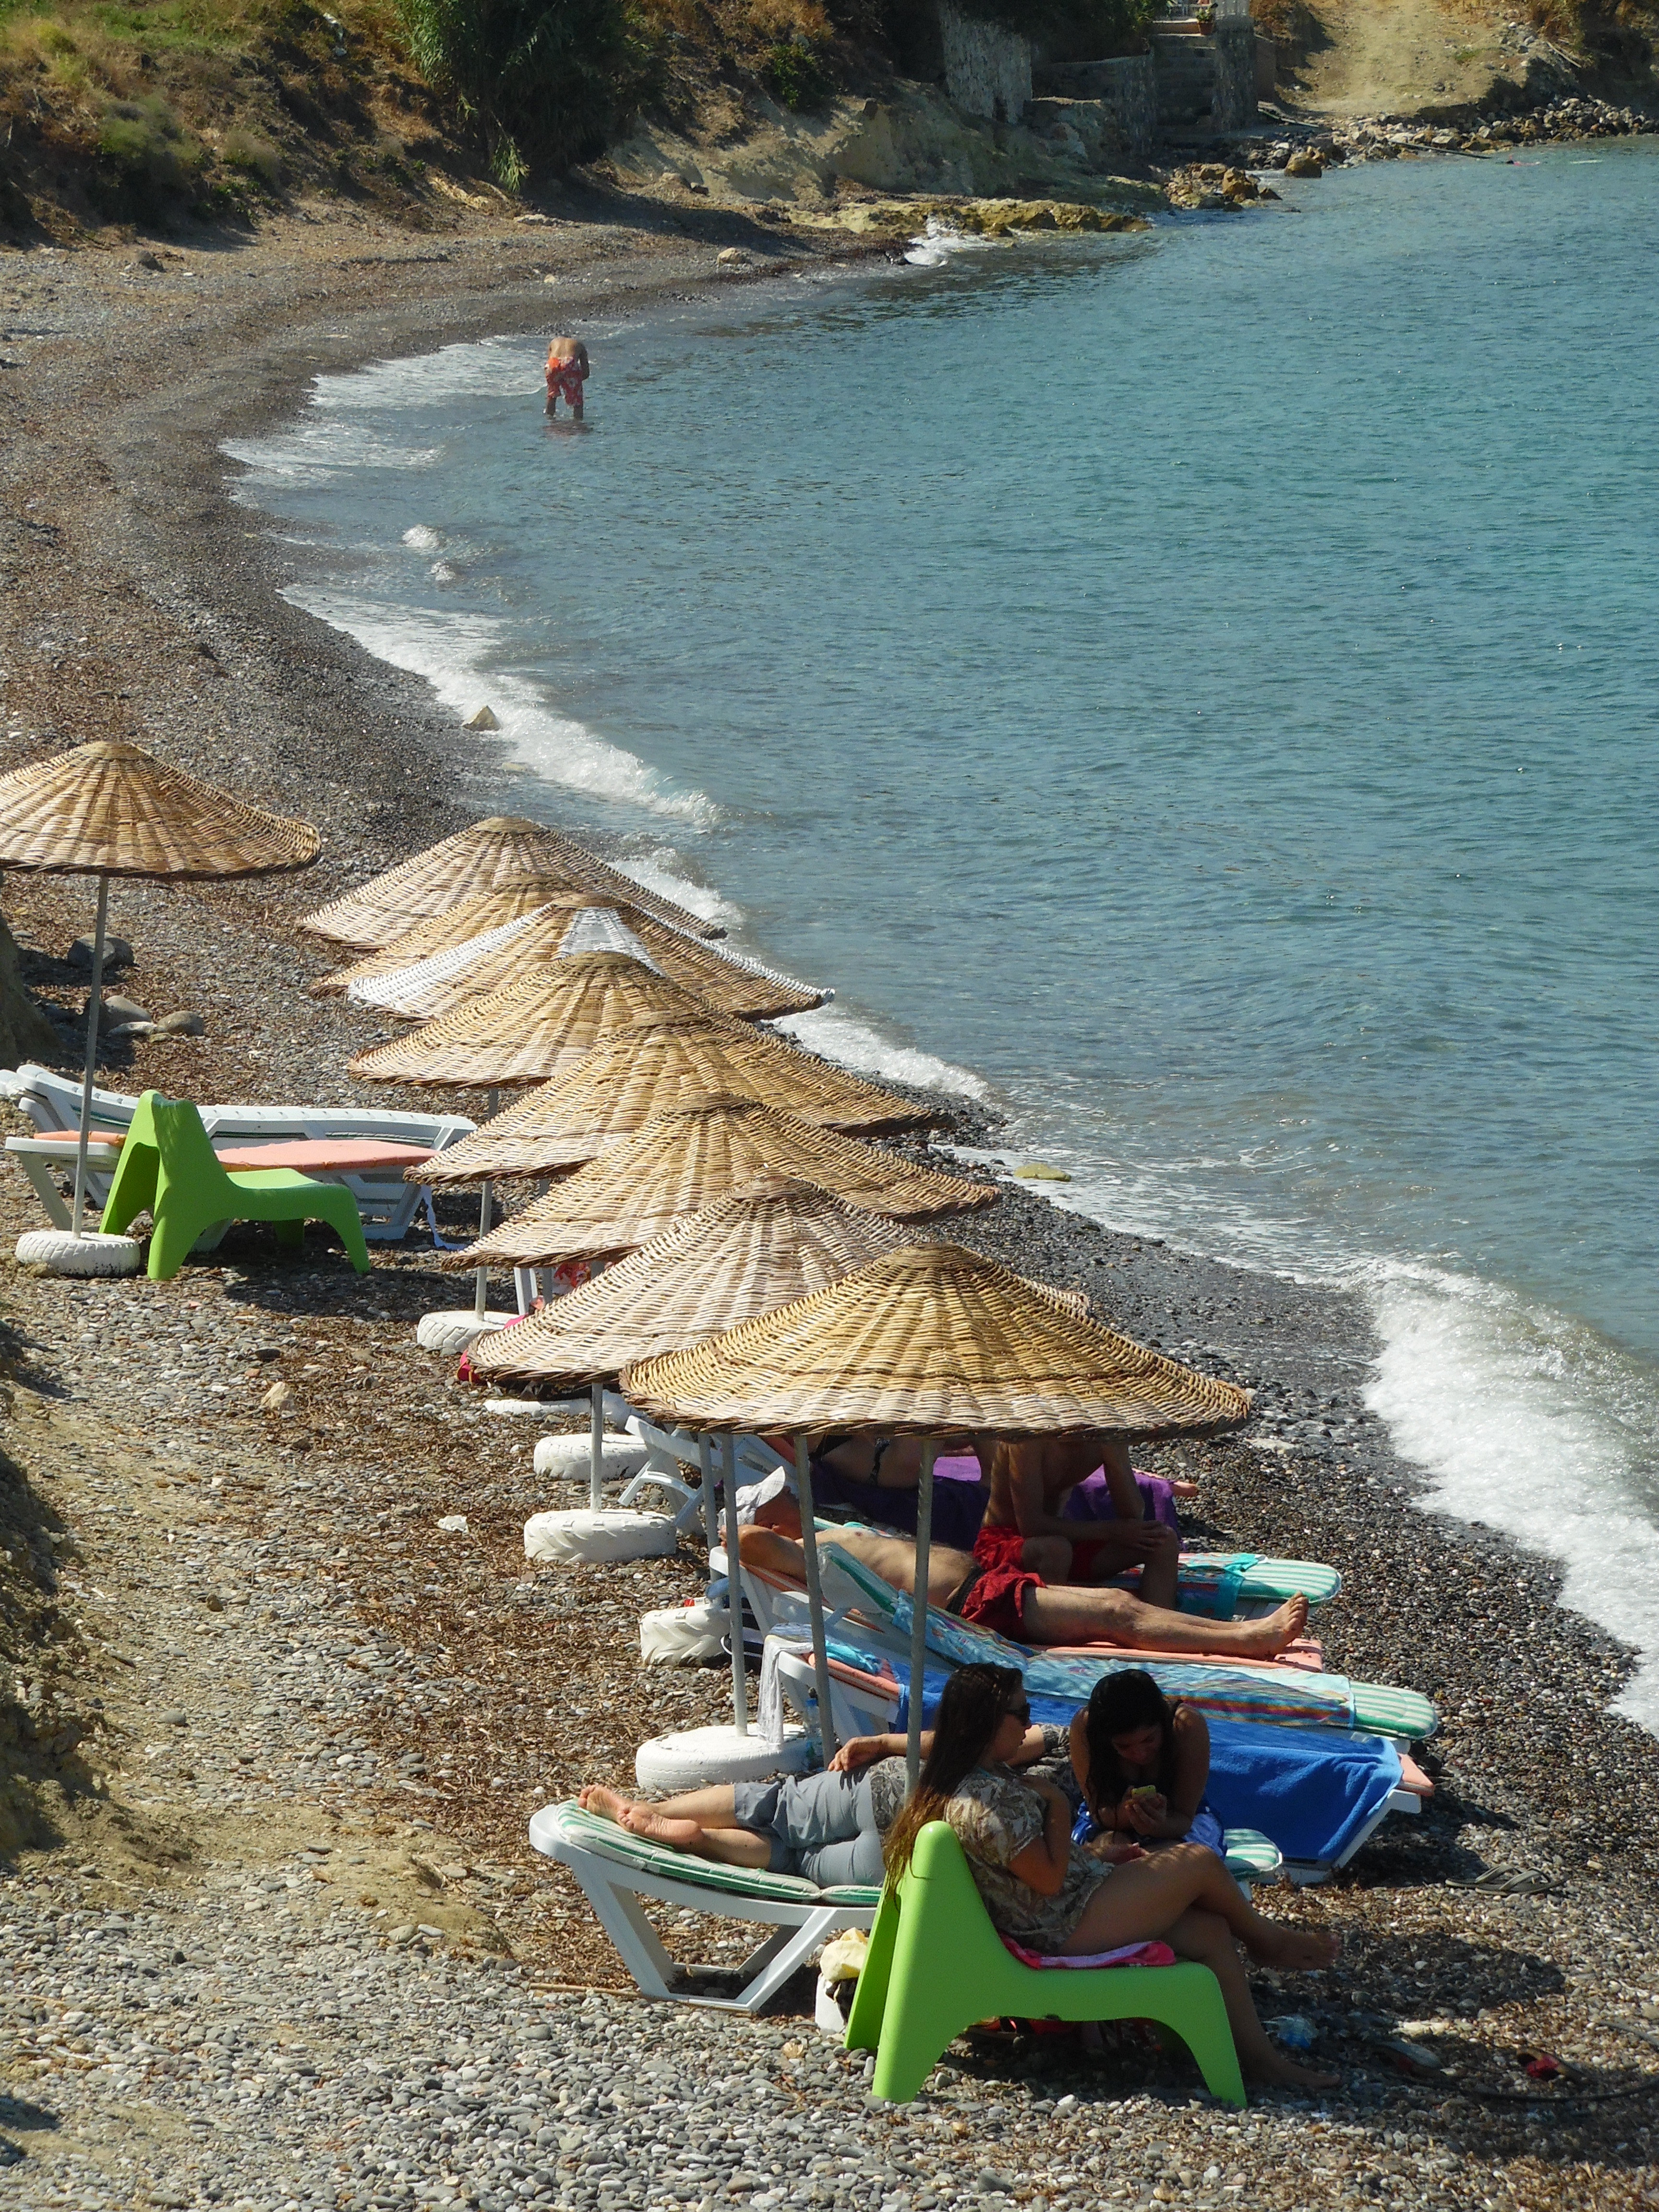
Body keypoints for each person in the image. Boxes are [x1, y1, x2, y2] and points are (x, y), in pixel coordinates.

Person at [884, 1666, 1340, 2092]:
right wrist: (1060, 1809)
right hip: (1062, 1924)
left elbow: (1026, 1872)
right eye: (1021, 1713)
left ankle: (1258, 2059)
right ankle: (1267, 1941)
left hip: (1065, 1907)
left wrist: (1095, 1853)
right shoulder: (984, 1803)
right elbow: (1045, 1881)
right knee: (1198, 1861)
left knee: (1211, 1932)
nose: (1029, 1723)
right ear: (985, 1722)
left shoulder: (978, 1781)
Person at [577, 1712, 1059, 1887]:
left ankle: (655, 1812)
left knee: (779, 1805)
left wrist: (887, 1743)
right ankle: (703, 1841)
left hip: (890, 1791)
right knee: (795, 1865)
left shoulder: (1043, 1739)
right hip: (901, 1862)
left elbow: (969, 1743)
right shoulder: (1073, 1804)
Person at [738, 1519, 1309, 1660]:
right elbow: (745, 1541)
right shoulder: (805, 1554)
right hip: (972, 1605)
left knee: (1114, 1607)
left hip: (982, 1587)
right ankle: (1247, 1640)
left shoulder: (825, 1535)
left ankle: (1238, 1635)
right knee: (1115, 1608)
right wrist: (736, 1524)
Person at [978, 1434, 1181, 1601]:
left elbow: (1133, 1517)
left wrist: (1115, 1455)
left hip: (1065, 1542)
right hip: (1003, 1542)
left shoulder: (1099, 1435)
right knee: (1056, 1550)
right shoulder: (1028, 1437)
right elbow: (1031, 1526)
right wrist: (1110, 1531)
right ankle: (1058, 1631)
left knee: (1163, 1540)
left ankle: (1160, 1626)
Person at [1070, 1668, 1224, 1855]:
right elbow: (1098, 1812)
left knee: (1168, 1861)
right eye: (1124, 1747)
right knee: (1109, 1854)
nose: (1140, 1754)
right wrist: (1124, 1815)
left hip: (1180, 1823)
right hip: (1108, 1824)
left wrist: (1157, 1825)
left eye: (1149, 1740)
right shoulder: (1085, 1728)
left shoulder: (1186, 1726)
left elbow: (1184, 1818)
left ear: (1162, 1723)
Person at [545, 337, 589, 419]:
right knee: (578, 403)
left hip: (552, 363)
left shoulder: (554, 342)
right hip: (569, 363)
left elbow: (552, 364)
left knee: (552, 395)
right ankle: (578, 426)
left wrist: (561, 380)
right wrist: (573, 383)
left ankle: (549, 420)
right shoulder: (580, 345)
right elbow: (586, 373)